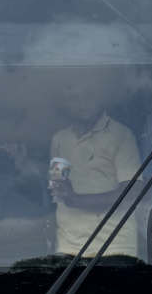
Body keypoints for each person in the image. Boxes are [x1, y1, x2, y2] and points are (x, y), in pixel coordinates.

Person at [49, 109, 141, 257]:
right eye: (71, 92)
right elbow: (57, 190)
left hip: (114, 248)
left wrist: (76, 200)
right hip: (68, 249)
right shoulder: (60, 139)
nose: (80, 99)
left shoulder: (121, 135)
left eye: (89, 92)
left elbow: (131, 193)